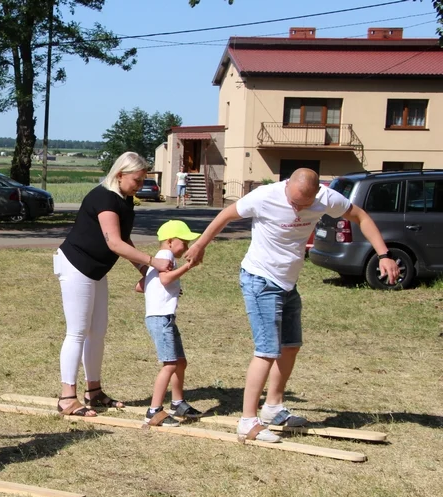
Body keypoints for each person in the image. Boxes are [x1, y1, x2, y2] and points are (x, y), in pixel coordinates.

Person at [184, 168, 400, 442]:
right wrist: (201, 244)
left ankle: (273, 408)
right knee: (266, 350)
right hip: (260, 279)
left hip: (287, 282)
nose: (298, 208)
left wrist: (384, 254)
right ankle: (248, 421)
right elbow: (227, 214)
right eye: (294, 202)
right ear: (287, 186)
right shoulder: (264, 196)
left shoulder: (326, 197)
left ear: (316, 194)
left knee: (290, 345)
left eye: (305, 204)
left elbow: (360, 216)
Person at [54, 152, 173, 418]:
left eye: (143, 180)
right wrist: (154, 261)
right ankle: (66, 398)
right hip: (76, 266)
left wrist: (144, 269)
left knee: (97, 331)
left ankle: (93, 391)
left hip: (96, 270)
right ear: (120, 174)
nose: (139, 185)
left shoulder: (125, 199)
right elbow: (114, 243)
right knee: (77, 332)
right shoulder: (104, 198)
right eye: (137, 179)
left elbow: (124, 239)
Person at [135, 220, 202, 427]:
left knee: (180, 362)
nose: (187, 247)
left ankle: (178, 403)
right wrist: (188, 266)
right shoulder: (165, 256)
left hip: (165, 317)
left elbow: (141, 286)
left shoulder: (161, 258)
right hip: (160, 318)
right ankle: (154, 410)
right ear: (171, 241)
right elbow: (164, 280)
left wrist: (170, 288)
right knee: (170, 364)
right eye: (184, 242)